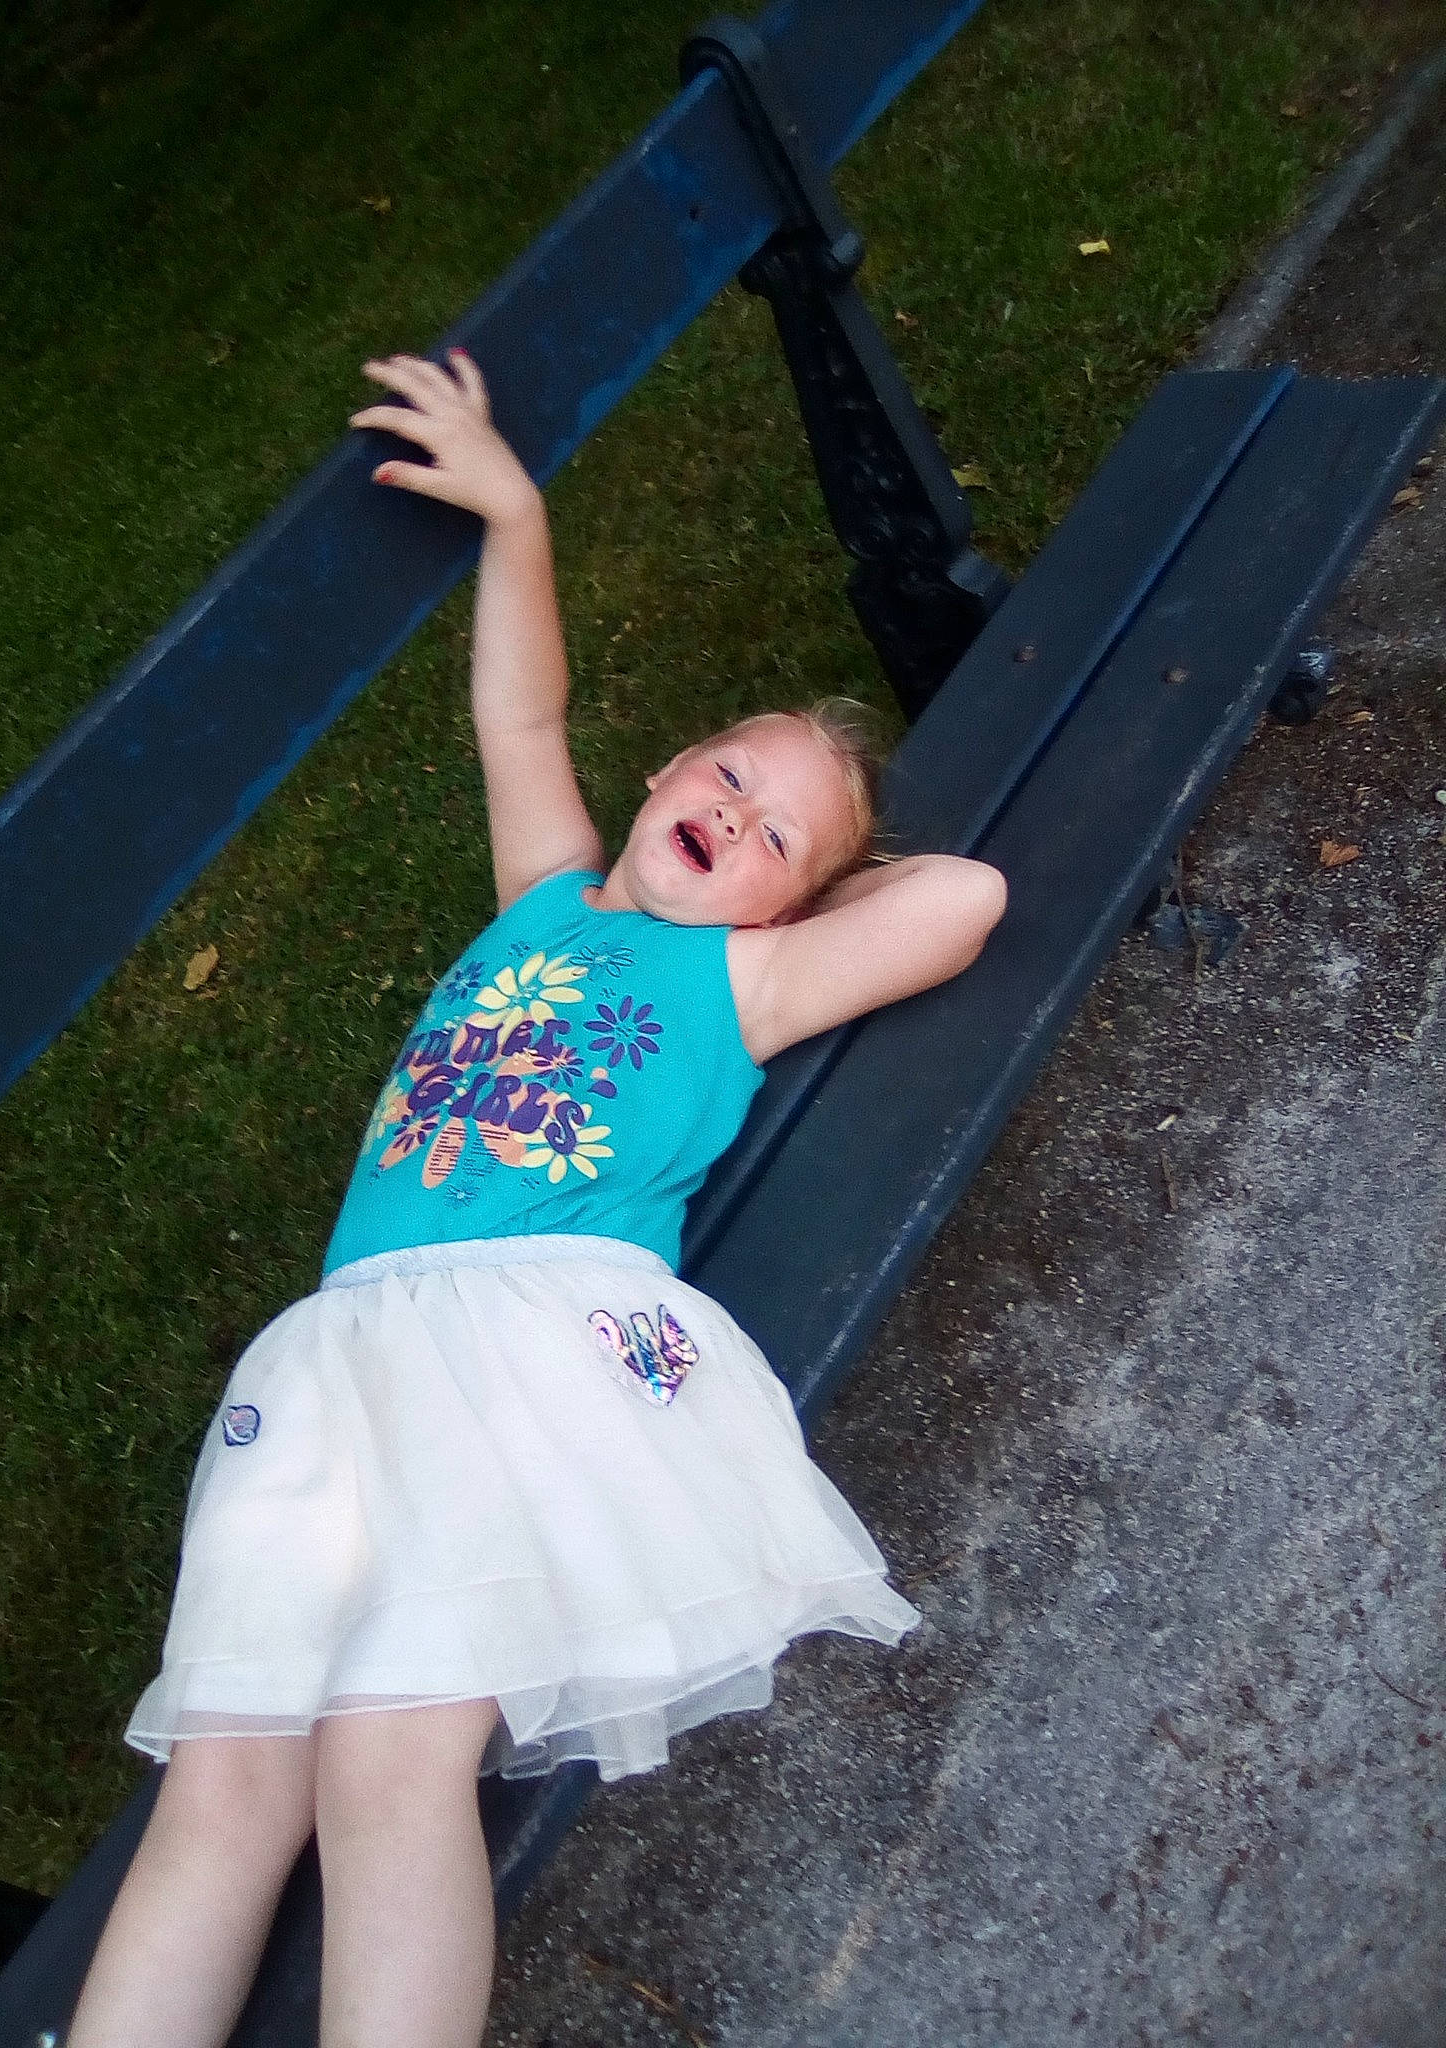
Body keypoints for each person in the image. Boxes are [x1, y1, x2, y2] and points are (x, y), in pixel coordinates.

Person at [61, 350, 1008, 2048]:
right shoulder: (541, 899)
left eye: (777, 841)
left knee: (388, 1755)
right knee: (228, 1776)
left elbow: (967, 898)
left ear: (787, 913)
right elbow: (520, 719)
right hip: (343, 1357)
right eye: (728, 777)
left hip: (522, 1345)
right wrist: (516, 517)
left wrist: (817, 903)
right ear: (662, 774)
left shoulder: (744, 984)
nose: (736, 816)